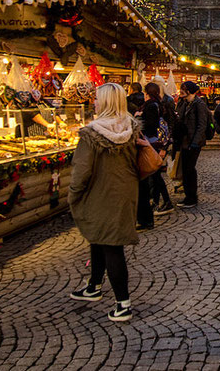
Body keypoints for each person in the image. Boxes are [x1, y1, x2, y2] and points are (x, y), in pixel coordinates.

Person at [69, 83, 142, 322]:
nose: (94, 102)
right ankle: (94, 285)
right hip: (125, 191)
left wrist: (73, 194)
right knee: (99, 238)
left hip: (100, 193)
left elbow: (82, 171)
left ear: (106, 102)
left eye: (98, 99)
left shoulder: (91, 134)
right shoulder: (131, 128)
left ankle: (123, 304)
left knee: (112, 245)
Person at [141, 82, 173, 219]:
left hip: (152, 142)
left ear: (147, 92)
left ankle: (166, 201)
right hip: (156, 143)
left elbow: (150, 125)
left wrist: (139, 117)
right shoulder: (159, 104)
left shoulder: (151, 106)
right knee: (155, 175)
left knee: (155, 175)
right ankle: (157, 201)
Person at [175, 81, 209, 208]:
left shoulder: (199, 104)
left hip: (194, 142)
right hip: (184, 141)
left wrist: (195, 142)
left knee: (189, 169)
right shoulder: (184, 103)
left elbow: (202, 125)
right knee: (185, 169)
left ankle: (191, 197)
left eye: (183, 89)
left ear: (189, 91)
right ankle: (188, 195)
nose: (180, 91)